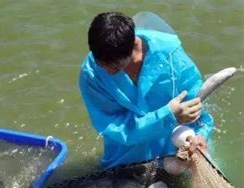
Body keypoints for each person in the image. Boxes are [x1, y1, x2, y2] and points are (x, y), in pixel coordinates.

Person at [79, 12, 213, 170]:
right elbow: (113, 127)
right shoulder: (92, 72)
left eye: (114, 66)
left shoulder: (171, 57)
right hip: (124, 157)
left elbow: (196, 108)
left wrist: (200, 136)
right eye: (101, 64)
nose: (106, 71)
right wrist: (167, 115)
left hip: (173, 149)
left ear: (134, 45)